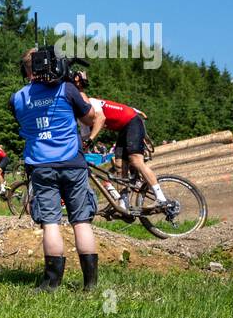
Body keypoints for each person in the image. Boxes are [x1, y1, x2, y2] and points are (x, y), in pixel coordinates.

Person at [11, 48, 104, 292]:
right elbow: (90, 118)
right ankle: (90, 285)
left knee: (50, 223)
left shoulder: (18, 98)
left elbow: (24, 121)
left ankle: (51, 283)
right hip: (72, 162)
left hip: (40, 165)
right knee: (81, 222)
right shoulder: (67, 90)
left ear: (26, 71)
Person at [72, 71, 169, 216]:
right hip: (123, 128)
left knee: (136, 160)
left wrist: (90, 140)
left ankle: (161, 198)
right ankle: (124, 204)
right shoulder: (81, 116)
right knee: (119, 167)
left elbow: (102, 119)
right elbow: (84, 137)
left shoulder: (91, 103)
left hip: (132, 122)